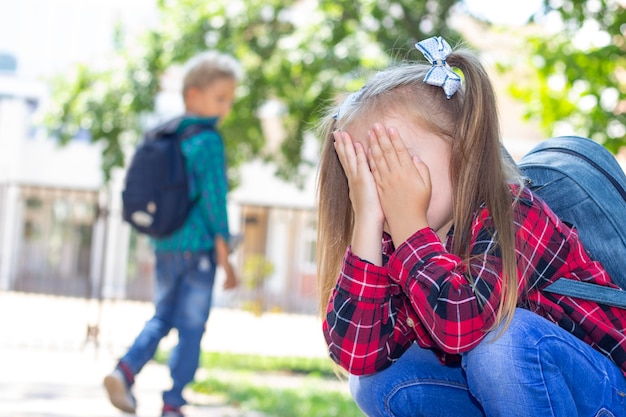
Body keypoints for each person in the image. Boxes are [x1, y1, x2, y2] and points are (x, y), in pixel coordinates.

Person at [316, 36, 626, 416]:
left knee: (500, 343)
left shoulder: (514, 214)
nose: (387, 184)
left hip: (602, 394)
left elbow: (462, 323)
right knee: (378, 381)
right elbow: (357, 354)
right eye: (367, 171)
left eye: (396, 161)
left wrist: (411, 226)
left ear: (464, 149)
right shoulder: (394, 243)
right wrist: (366, 221)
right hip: (503, 394)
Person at [104, 51, 242, 417]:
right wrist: (226, 259)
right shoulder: (208, 141)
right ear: (193, 96)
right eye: (220, 98)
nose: (225, 108)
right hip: (198, 252)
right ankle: (173, 403)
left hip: (164, 245)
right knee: (192, 328)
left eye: (229, 100)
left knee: (162, 316)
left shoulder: (167, 134)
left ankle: (125, 370)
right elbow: (215, 202)